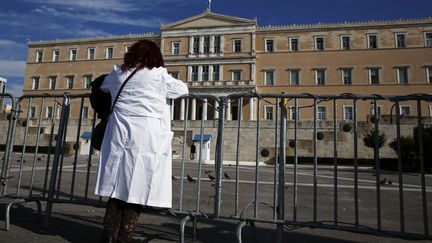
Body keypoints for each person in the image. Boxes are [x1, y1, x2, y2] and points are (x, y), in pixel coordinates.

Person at [95, 39, 189, 243]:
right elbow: (183, 89)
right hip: (145, 136)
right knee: (137, 185)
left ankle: (108, 235)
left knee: (116, 186)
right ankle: (125, 236)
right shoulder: (158, 75)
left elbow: (102, 86)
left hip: (118, 133)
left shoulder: (118, 73)